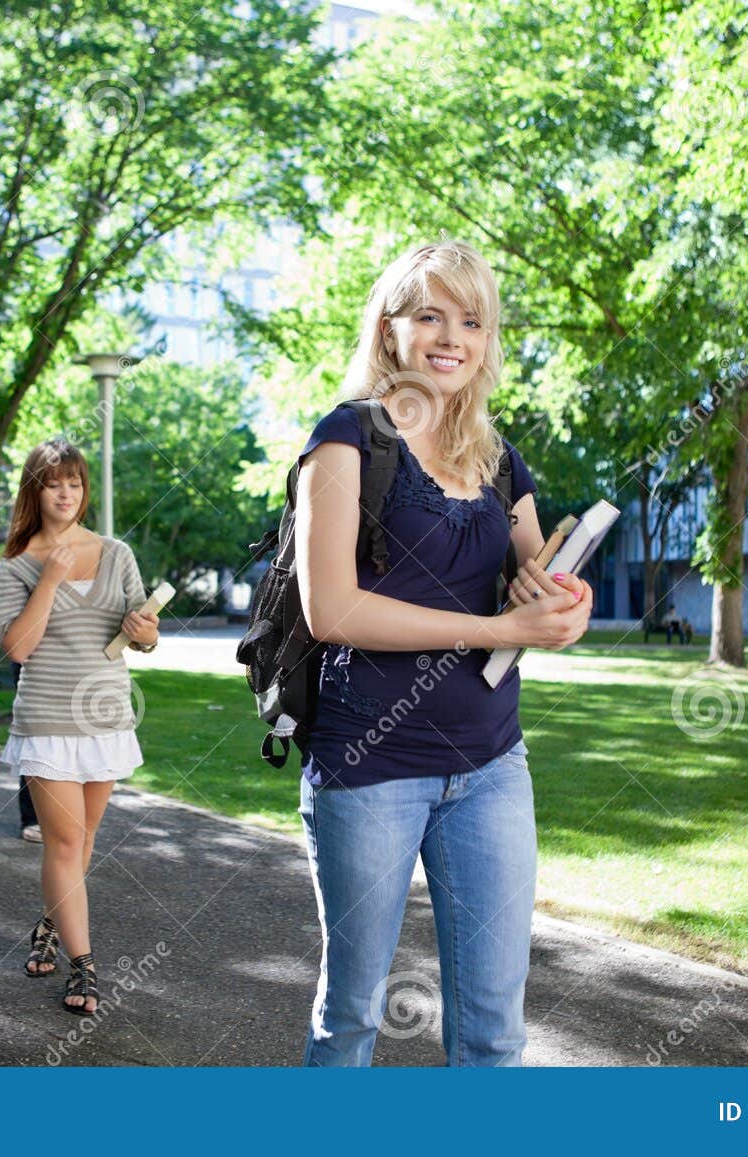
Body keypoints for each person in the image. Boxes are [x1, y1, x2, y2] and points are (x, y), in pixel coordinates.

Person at [292, 240, 594, 1066]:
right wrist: (499, 630)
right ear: (391, 329)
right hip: (371, 764)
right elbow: (332, 609)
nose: (451, 336)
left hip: (493, 764)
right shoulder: (346, 440)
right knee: (352, 1014)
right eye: (429, 314)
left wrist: (567, 607)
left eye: (471, 319)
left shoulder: (497, 456)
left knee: (494, 1026)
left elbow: (538, 579)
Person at [0, 439, 158, 1015]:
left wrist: (145, 630)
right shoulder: (15, 563)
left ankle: (49, 926)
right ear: (34, 490)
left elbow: (146, 634)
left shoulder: (116, 553)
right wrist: (48, 581)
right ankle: (84, 968)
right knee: (63, 840)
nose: (66, 493)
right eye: (54, 482)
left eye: (76, 483)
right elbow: (17, 647)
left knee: (82, 842)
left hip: (106, 715)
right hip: (48, 718)